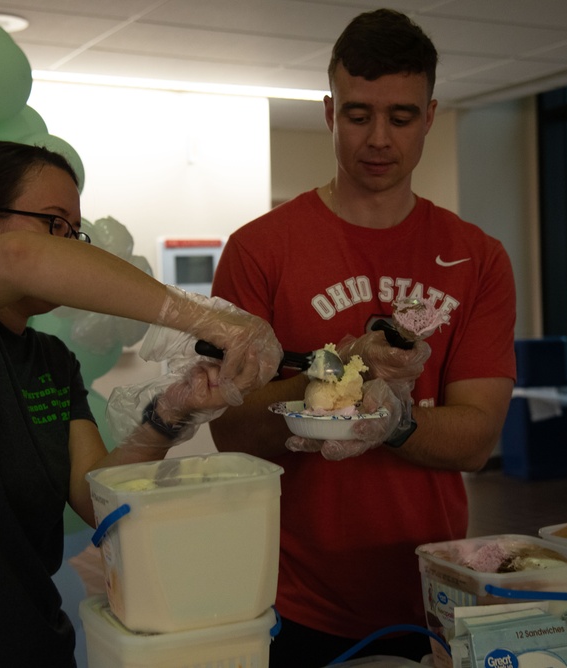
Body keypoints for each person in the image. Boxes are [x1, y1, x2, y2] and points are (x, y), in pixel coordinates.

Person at [0, 140, 282, 667]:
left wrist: (171, 412)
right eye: (53, 223)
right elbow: (20, 260)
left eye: (74, 231)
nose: (70, 245)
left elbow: (93, 498)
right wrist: (202, 316)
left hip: (28, 643)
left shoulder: (52, 360)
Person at [209, 9, 516, 666]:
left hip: (436, 588)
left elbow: (478, 438)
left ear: (430, 115)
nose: (378, 138)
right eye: (358, 115)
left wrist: (394, 422)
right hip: (295, 597)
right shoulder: (260, 250)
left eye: (401, 117)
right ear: (328, 112)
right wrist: (343, 367)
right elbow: (233, 431)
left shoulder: (477, 257)